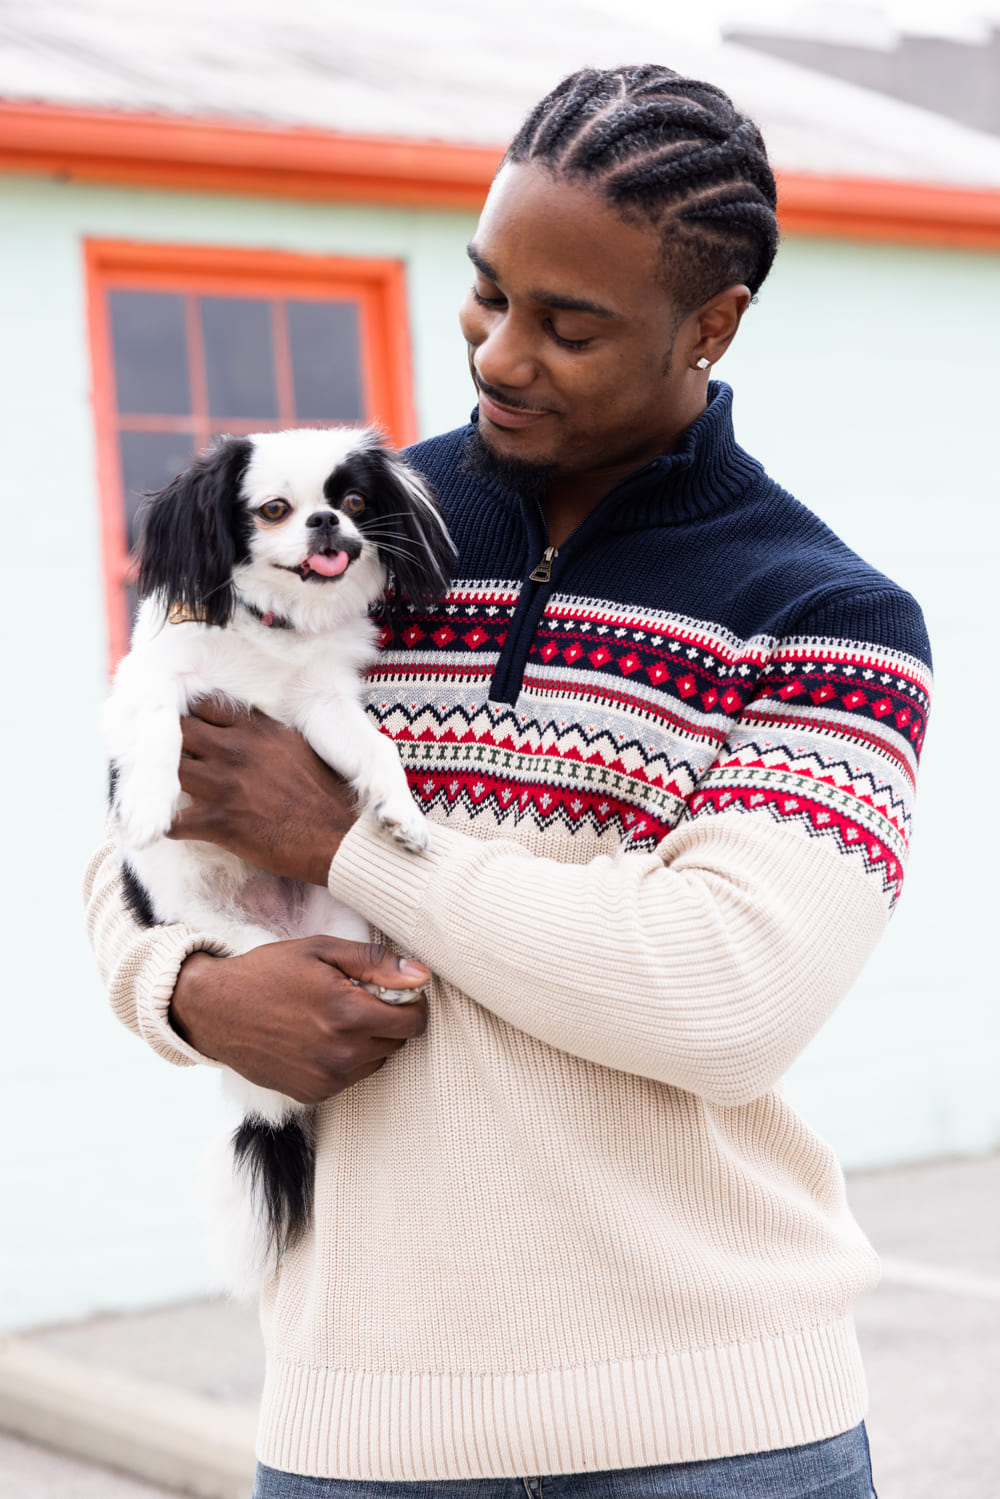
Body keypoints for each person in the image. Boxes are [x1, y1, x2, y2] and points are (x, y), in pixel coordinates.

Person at [85, 65, 930, 1498]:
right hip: (362, 1436)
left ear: (711, 325)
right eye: (487, 293)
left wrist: (342, 841)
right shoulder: (322, 529)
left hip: (720, 1440)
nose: (497, 354)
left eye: (569, 325)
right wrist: (187, 991)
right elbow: (129, 840)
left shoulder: (830, 619)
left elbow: (724, 995)